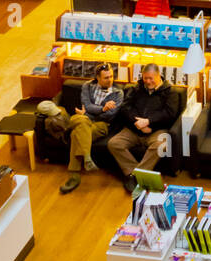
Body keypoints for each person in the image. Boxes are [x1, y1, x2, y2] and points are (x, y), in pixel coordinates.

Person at [108, 62, 181, 192]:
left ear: (159, 76)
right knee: (114, 143)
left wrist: (148, 122)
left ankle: (135, 176)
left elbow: (170, 114)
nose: (147, 81)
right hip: (134, 129)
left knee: (161, 145)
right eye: (145, 78)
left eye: (150, 78)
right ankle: (136, 174)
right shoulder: (136, 88)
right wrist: (138, 123)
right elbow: (126, 107)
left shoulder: (170, 92)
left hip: (156, 130)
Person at [59, 63, 124, 194]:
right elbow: (87, 105)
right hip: (84, 119)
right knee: (81, 121)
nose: (110, 79)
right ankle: (87, 158)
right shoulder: (87, 86)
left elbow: (110, 114)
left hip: (102, 124)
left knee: (76, 133)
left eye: (111, 76)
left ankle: (74, 175)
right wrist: (102, 108)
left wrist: (90, 113)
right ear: (97, 78)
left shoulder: (118, 93)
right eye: (106, 77)